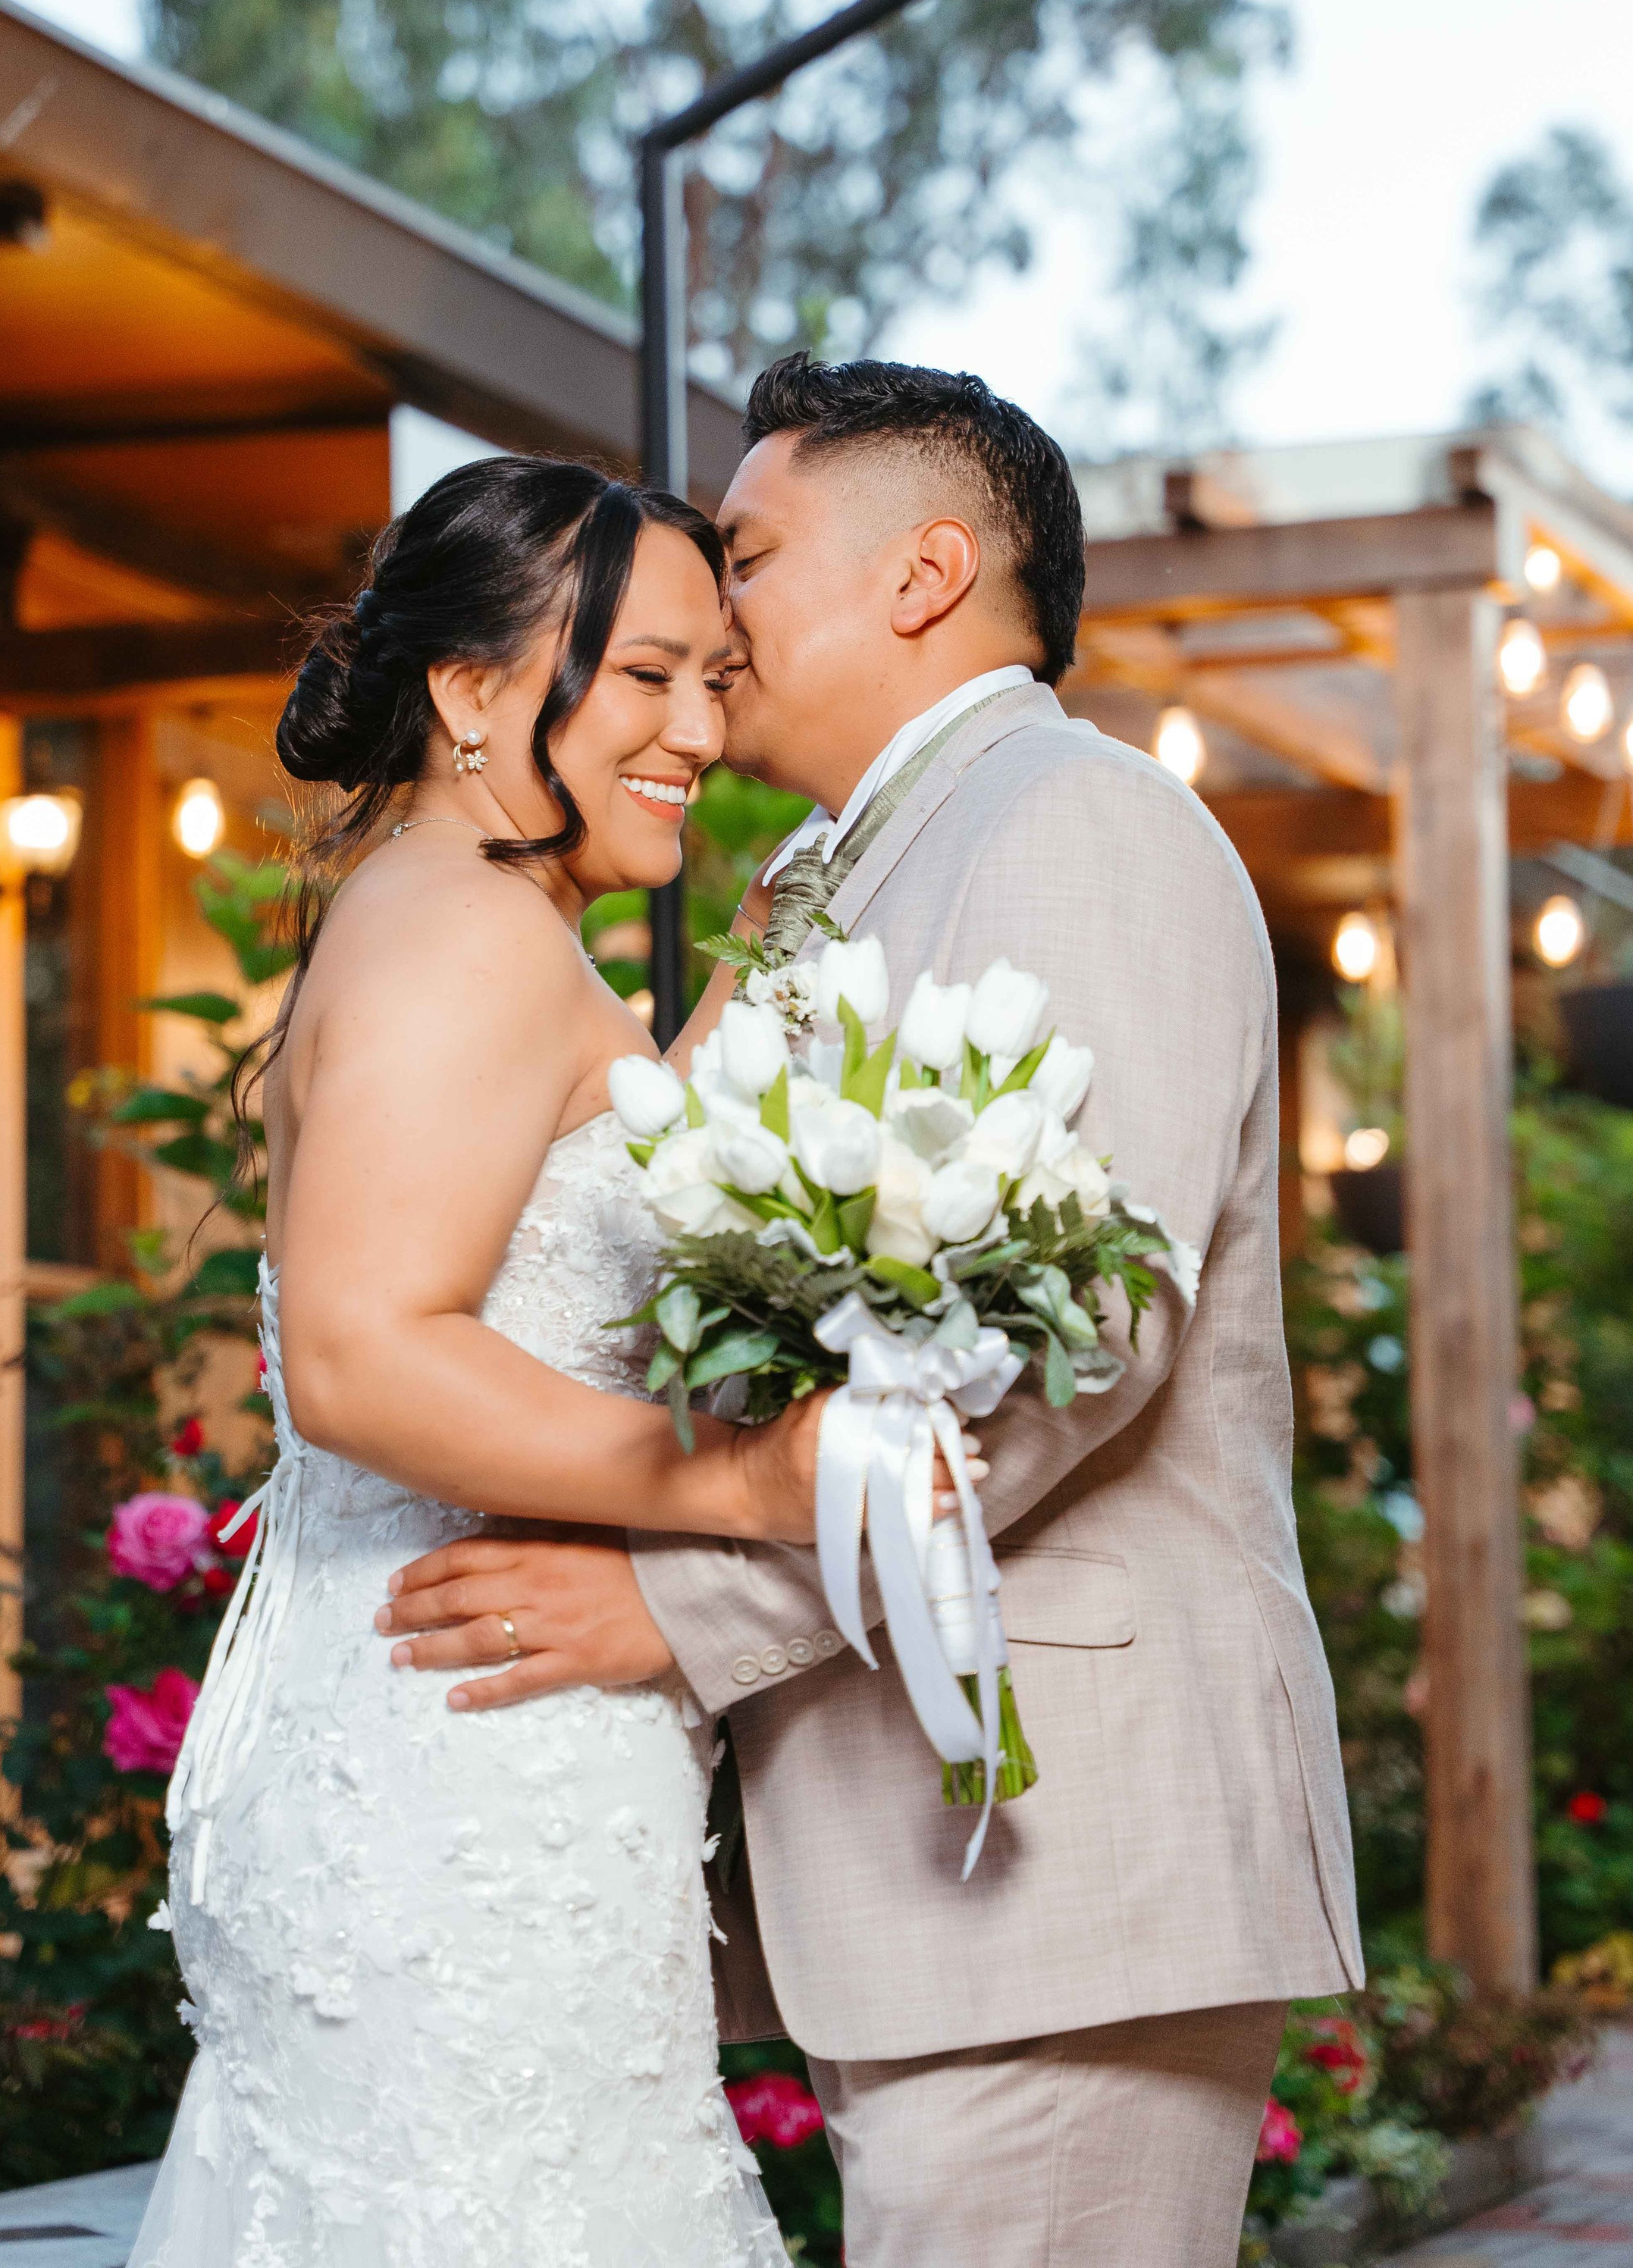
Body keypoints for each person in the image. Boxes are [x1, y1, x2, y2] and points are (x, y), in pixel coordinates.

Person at [378, 359, 1363, 2268]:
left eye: (743, 552)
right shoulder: (829, 873)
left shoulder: (1080, 824)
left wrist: (672, 1607)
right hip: (919, 1859)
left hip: (1061, 1844)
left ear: (922, 574)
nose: (705, 610)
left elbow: (1070, 1348)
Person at [129, 456, 804, 2268]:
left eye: (715, 681)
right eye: (649, 674)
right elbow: (359, 1354)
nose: (700, 729)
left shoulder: (479, 926)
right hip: (461, 1779)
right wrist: (740, 1488)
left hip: (471, 1737)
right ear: (472, 691)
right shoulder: (459, 928)